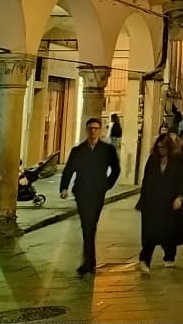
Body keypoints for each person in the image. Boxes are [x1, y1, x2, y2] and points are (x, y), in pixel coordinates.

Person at [59, 117, 122, 276]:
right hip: (81, 191)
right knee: (87, 225)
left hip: (97, 192)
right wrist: (64, 187)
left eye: (95, 128)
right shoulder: (78, 150)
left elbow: (116, 169)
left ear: (100, 130)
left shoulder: (107, 150)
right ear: (86, 130)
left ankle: (89, 261)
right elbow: (69, 170)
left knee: (90, 224)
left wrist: (107, 185)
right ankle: (89, 261)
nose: (93, 131)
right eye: (90, 128)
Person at [136, 134, 183, 273]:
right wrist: (143, 200)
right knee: (151, 233)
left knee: (170, 231)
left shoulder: (177, 160)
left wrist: (180, 197)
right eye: (159, 147)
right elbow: (146, 180)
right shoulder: (152, 160)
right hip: (154, 202)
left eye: (164, 147)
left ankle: (169, 256)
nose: (161, 150)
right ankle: (144, 259)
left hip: (170, 202)